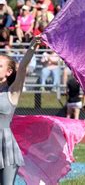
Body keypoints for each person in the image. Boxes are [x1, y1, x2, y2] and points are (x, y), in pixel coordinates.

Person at [0, 37, 40, 183]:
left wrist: (32, 47)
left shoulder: (12, 92)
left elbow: (22, 67)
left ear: (9, 72)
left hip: (5, 146)